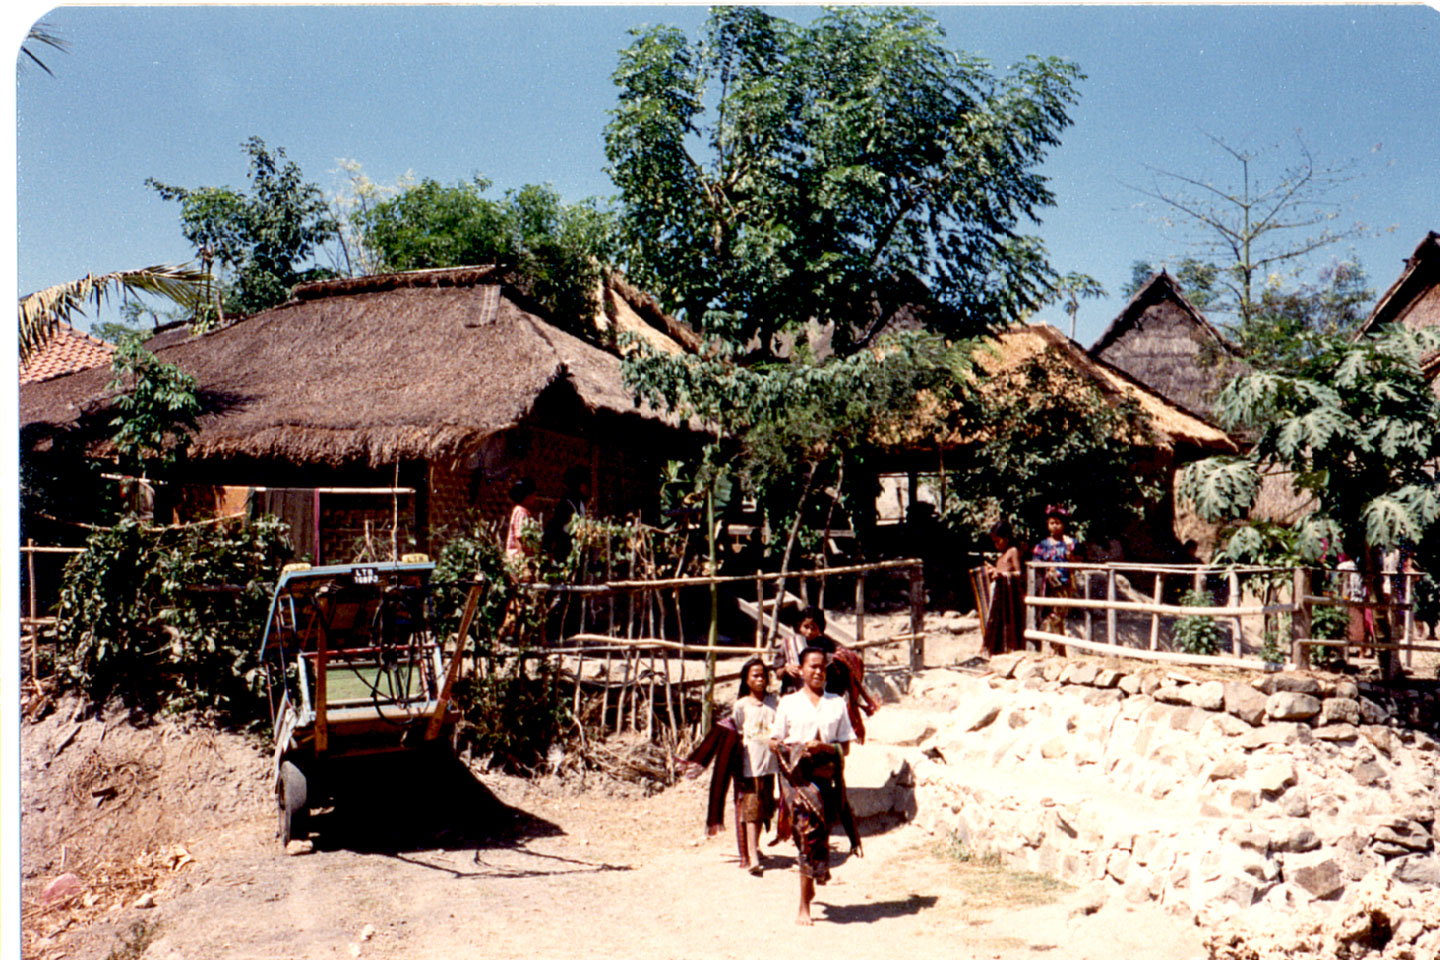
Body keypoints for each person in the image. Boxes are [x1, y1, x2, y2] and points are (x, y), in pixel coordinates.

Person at [770, 646, 859, 926]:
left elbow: (845, 746)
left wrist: (825, 747)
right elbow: (773, 740)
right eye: (813, 667)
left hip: (825, 780)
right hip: (796, 782)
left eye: (823, 667)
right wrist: (789, 748)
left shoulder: (836, 703)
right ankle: (804, 901)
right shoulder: (788, 703)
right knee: (805, 836)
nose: (818, 672)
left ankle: (807, 893)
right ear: (801, 669)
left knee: (816, 837)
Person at [732, 658, 777, 876]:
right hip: (750, 765)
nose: (760, 680)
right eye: (755, 676)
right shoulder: (741, 706)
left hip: (770, 764)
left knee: (765, 805)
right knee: (751, 807)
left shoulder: (773, 702)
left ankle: (756, 845)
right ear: (746, 680)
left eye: (763, 676)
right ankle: (752, 854)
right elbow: (736, 732)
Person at [1032, 505, 1079, 652]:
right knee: (1049, 616)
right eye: (1052, 523)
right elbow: (1036, 561)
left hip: (1063, 584)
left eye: (1058, 523)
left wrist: (1071, 555)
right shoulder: (1043, 544)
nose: (1054, 526)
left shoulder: (1070, 543)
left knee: (1058, 615)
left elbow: (1078, 562)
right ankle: (1058, 648)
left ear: (1063, 525)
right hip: (1047, 585)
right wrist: (1046, 568)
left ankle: (1058, 648)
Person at [982, 520, 1025, 655]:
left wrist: (1002, 574)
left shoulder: (1013, 551)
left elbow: (1019, 574)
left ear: (1006, 538)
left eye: (998, 541)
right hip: (998, 597)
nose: (996, 545)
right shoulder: (1000, 557)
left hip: (1010, 599)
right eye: (994, 542)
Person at [542, 466, 590, 562]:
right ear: (581, 486)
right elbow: (553, 529)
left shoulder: (579, 503)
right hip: (566, 555)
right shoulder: (566, 505)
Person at [504, 477, 541, 567]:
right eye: (534, 495)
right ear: (527, 496)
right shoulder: (521, 512)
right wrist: (523, 563)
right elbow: (520, 537)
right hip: (516, 560)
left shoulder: (522, 511)